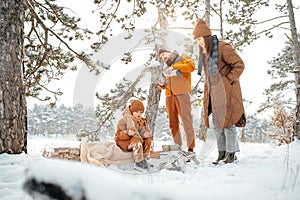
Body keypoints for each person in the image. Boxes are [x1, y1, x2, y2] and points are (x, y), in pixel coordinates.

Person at [192, 19, 246, 164]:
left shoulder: (222, 47)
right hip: (213, 94)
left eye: (200, 39)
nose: (198, 42)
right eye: (196, 40)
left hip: (227, 91)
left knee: (228, 124)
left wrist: (227, 80)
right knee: (218, 125)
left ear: (207, 37)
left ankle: (231, 153)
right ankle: (221, 153)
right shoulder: (205, 53)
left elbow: (239, 64)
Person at [157, 47, 196, 157]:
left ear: (170, 51)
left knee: (186, 121)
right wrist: (162, 85)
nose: (163, 57)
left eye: (164, 54)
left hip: (182, 94)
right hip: (170, 96)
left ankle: (191, 149)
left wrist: (174, 66)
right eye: (161, 57)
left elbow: (191, 67)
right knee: (173, 123)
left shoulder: (183, 58)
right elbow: (168, 82)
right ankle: (178, 147)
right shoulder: (166, 67)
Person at [114, 99, 154, 169]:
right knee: (137, 140)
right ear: (132, 111)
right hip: (125, 142)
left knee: (149, 140)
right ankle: (139, 162)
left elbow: (143, 131)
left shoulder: (141, 121)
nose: (139, 114)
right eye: (136, 112)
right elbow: (118, 134)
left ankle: (144, 160)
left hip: (137, 140)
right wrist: (127, 133)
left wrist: (145, 134)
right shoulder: (124, 120)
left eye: (141, 112)